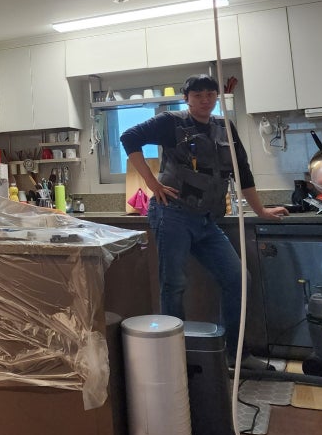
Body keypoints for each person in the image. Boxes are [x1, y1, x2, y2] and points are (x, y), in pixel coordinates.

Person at [120, 74, 288, 369]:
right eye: (197, 95)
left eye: (210, 94)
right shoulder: (170, 122)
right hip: (172, 214)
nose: (205, 100)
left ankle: (235, 355)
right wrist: (152, 184)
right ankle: (176, 361)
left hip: (207, 220)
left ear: (216, 97)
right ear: (186, 98)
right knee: (173, 285)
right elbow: (129, 138)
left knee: (238, 280)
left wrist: (261, 210)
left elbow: (242, 171)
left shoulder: (225, 127)